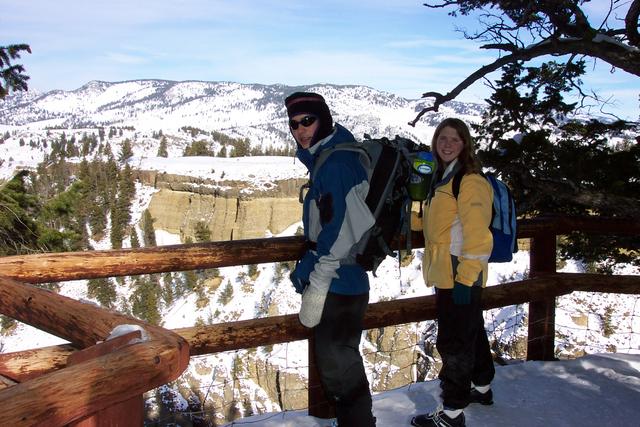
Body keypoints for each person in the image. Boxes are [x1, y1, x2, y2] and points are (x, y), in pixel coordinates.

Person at [285, 91, 377, 427]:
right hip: (344, 279)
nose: (301, 130)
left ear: (323, 119)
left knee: (340, 367)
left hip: (340, 282)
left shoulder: (337, 164)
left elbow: (339, 231)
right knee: (341, 363)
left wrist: (318, 277)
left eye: (308, 121)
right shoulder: (329, 157)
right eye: (295, 124)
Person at [410, 118, 496, 427]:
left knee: (453, 341)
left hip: (460, 273)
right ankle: (482, 388)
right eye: (442, 138)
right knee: (470, 330)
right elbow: (421, 227)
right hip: (447, 271)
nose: (447, 144)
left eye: (454, 139)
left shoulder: (469, 181)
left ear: (465, 145)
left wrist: (467, 277)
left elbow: (479, 235)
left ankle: (452, 413)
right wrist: (417, 196)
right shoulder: (442, 179)